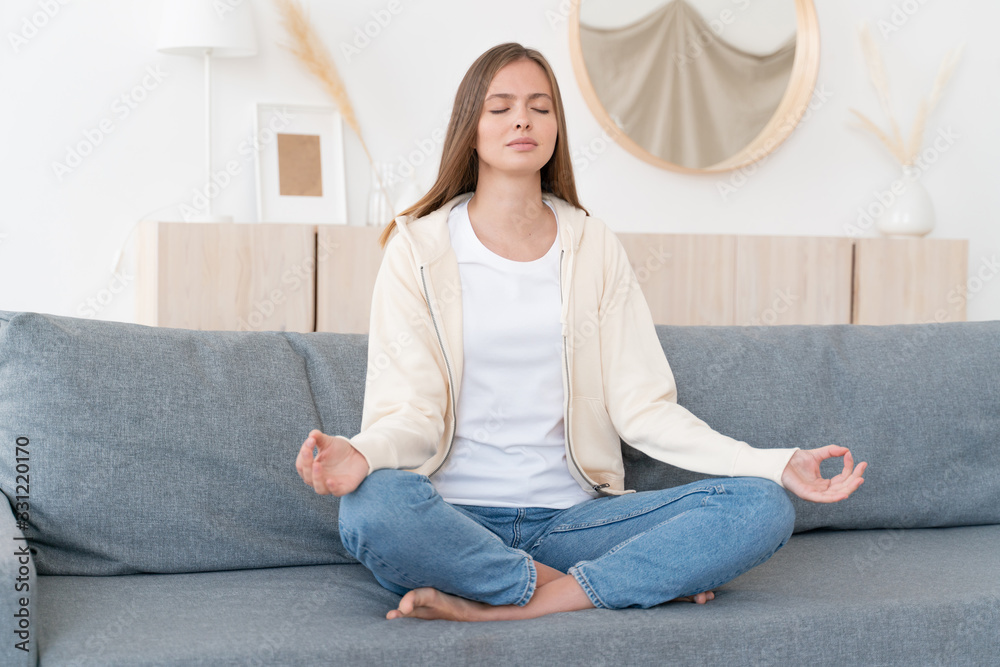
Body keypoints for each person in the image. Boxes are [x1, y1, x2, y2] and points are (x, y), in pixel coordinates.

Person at [294, 42, 866, 623]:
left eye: (540, 107)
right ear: (471, 129)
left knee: (761, 507)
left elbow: (644, 411)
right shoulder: (417, 250)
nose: (523, 119)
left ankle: (513, 602)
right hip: (451, 518)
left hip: (575, 522)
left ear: (556, 129)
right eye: (501, 107)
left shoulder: (593, 246)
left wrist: (774, 462)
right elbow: (411, 417)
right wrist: (360, 453)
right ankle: (586, 585)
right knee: (371, 508)